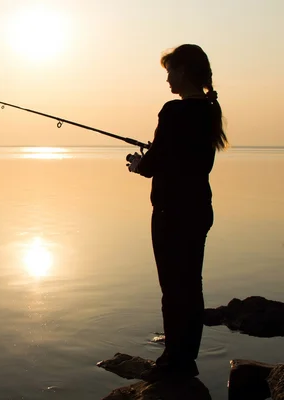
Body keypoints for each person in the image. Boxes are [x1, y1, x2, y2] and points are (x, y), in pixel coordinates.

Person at [126, 44, 228, 382]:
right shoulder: (211, 109)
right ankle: (187, 356)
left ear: (183, 71)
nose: (167, 78)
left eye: (170, 70)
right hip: (200, 207)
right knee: (191, 284)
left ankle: (174, 358)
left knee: (173, 287)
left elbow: (154, 163)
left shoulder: (173, 111)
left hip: (172, 211)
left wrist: (139, 163)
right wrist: (154, 158)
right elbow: (182, 156)